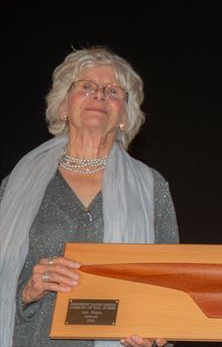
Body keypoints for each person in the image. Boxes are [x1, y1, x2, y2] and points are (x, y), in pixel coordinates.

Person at [0, 47, 179, 347]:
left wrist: (157, 335)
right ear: (63, 106)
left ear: (125, 114)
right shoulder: (16, 186)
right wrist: (28, 291)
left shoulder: (151, 187)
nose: (99, 95)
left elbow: (171, 287)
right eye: (86, 87)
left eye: (113, 91)